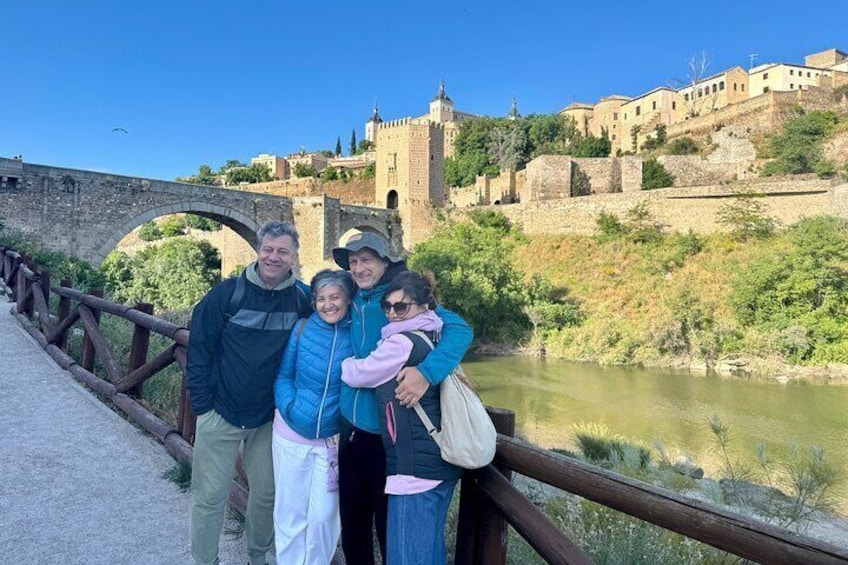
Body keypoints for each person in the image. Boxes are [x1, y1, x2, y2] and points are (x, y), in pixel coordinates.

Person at [332, 232, 473, 564]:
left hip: (389, 437)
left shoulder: (403, 299)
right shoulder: (351, 296)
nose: (359, 268)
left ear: (385, 262)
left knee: (393, 533)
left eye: (367, 259)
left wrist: (427, 373)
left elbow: (460, 329)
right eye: (353, 262)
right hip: (351, 430)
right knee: (353, 525)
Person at [186, 220, 311, 565]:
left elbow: (334, 321)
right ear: (258, 251)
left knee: (268, 493)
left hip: (268, 418)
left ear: (294, 256)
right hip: (220, 413)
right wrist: (203, 407)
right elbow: (198, 351)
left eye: (282, 251)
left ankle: (258, 556)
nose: (274, 257)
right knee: (209, 497)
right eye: (268, 249)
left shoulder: (302, 299)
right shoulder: (227, 295)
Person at [272, 269, 355, 564]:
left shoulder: (357, 333)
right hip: (290, 433)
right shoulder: (302, 329)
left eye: (335, 297)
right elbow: (283, 376)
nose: (328, 304)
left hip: (330, 442)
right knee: (290, 513)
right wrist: (290, 406)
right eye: (321, 298)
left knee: (324, 519)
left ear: (347, 299)